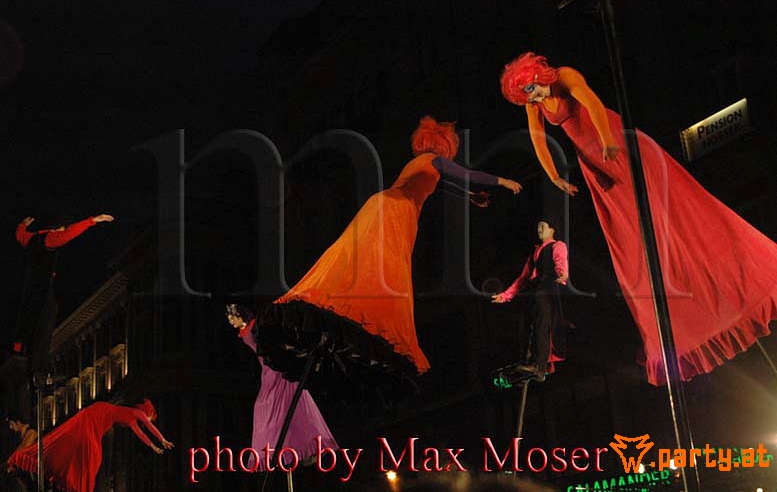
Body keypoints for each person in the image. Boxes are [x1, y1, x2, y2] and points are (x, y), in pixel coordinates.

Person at [500, 52, 777, 385]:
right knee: (631, 236)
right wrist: (555, 176)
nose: (533, 99)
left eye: (532, 90)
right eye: (526, 96)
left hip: (614, 142)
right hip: (592, 159)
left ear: (538, 76)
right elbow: (538, 140)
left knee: (662, 212)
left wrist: (607, 140)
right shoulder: (534, 104)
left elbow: (593, 105)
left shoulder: (565, 77)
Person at [254, 116, 522, 386]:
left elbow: (445, 183)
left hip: (381, 205)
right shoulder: (435, 161)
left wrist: (470, 195)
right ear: (444, 146)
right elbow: (466, 175)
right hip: (397, 211)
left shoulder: (422, 164)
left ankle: (350, 301)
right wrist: (502, 181)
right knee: (389, 271)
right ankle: (365, 313)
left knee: (366, 261)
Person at [225, 304, 338, 470]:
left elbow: (272, 341)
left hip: (276, 368)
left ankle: (302, 444)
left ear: (239, 315)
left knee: (285, 404)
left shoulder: (256, 326)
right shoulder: (245, 330)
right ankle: (278, 446)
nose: (230, 321)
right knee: (267, 407)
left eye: (231, 317)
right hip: (268, 370)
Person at [13, 214, 115, 375]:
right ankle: (38, 368)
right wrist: (93, 220)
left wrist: (22, 225)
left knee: (28, 318)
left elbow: (21, 236)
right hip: (43, 288)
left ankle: (19, 347)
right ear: (58, 228)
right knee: (45, 322)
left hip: (31, 286)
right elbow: (69, 234)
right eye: (62, 229)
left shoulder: (33, 238)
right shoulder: (50, 238)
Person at [7, 399, 172, 492]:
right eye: (149, 418)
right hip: (95, 415)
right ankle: (78, 484)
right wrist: (162, 440)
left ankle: (79, 483)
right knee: (92, 456)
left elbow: (142, 435)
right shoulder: (138, 414)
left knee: (93, 458)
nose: (147, 421)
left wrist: (153, 446)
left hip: (96, 419)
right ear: (147, 413)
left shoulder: (131, 420)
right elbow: (149, 428)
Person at [491, 218, 569, 381]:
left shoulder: (557, 245)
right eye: (538, 227)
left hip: (546, 288)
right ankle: (528, 363)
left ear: (552, 230)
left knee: (542, 326)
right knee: (526, 326)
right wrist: (505, 295)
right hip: (534, 289)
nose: (539, 230)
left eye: (543, 226)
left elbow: (560, 261)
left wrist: (562, 274)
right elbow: (523, 278)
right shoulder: (535, 252)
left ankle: (540, 366)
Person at [5, 413, 38, 491]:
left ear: (18, 422)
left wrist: (10, 461)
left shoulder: (31, 432)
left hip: (35, 470)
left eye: (12, 424)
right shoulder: (24, 433)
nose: (10, 427)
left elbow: (23, 450)